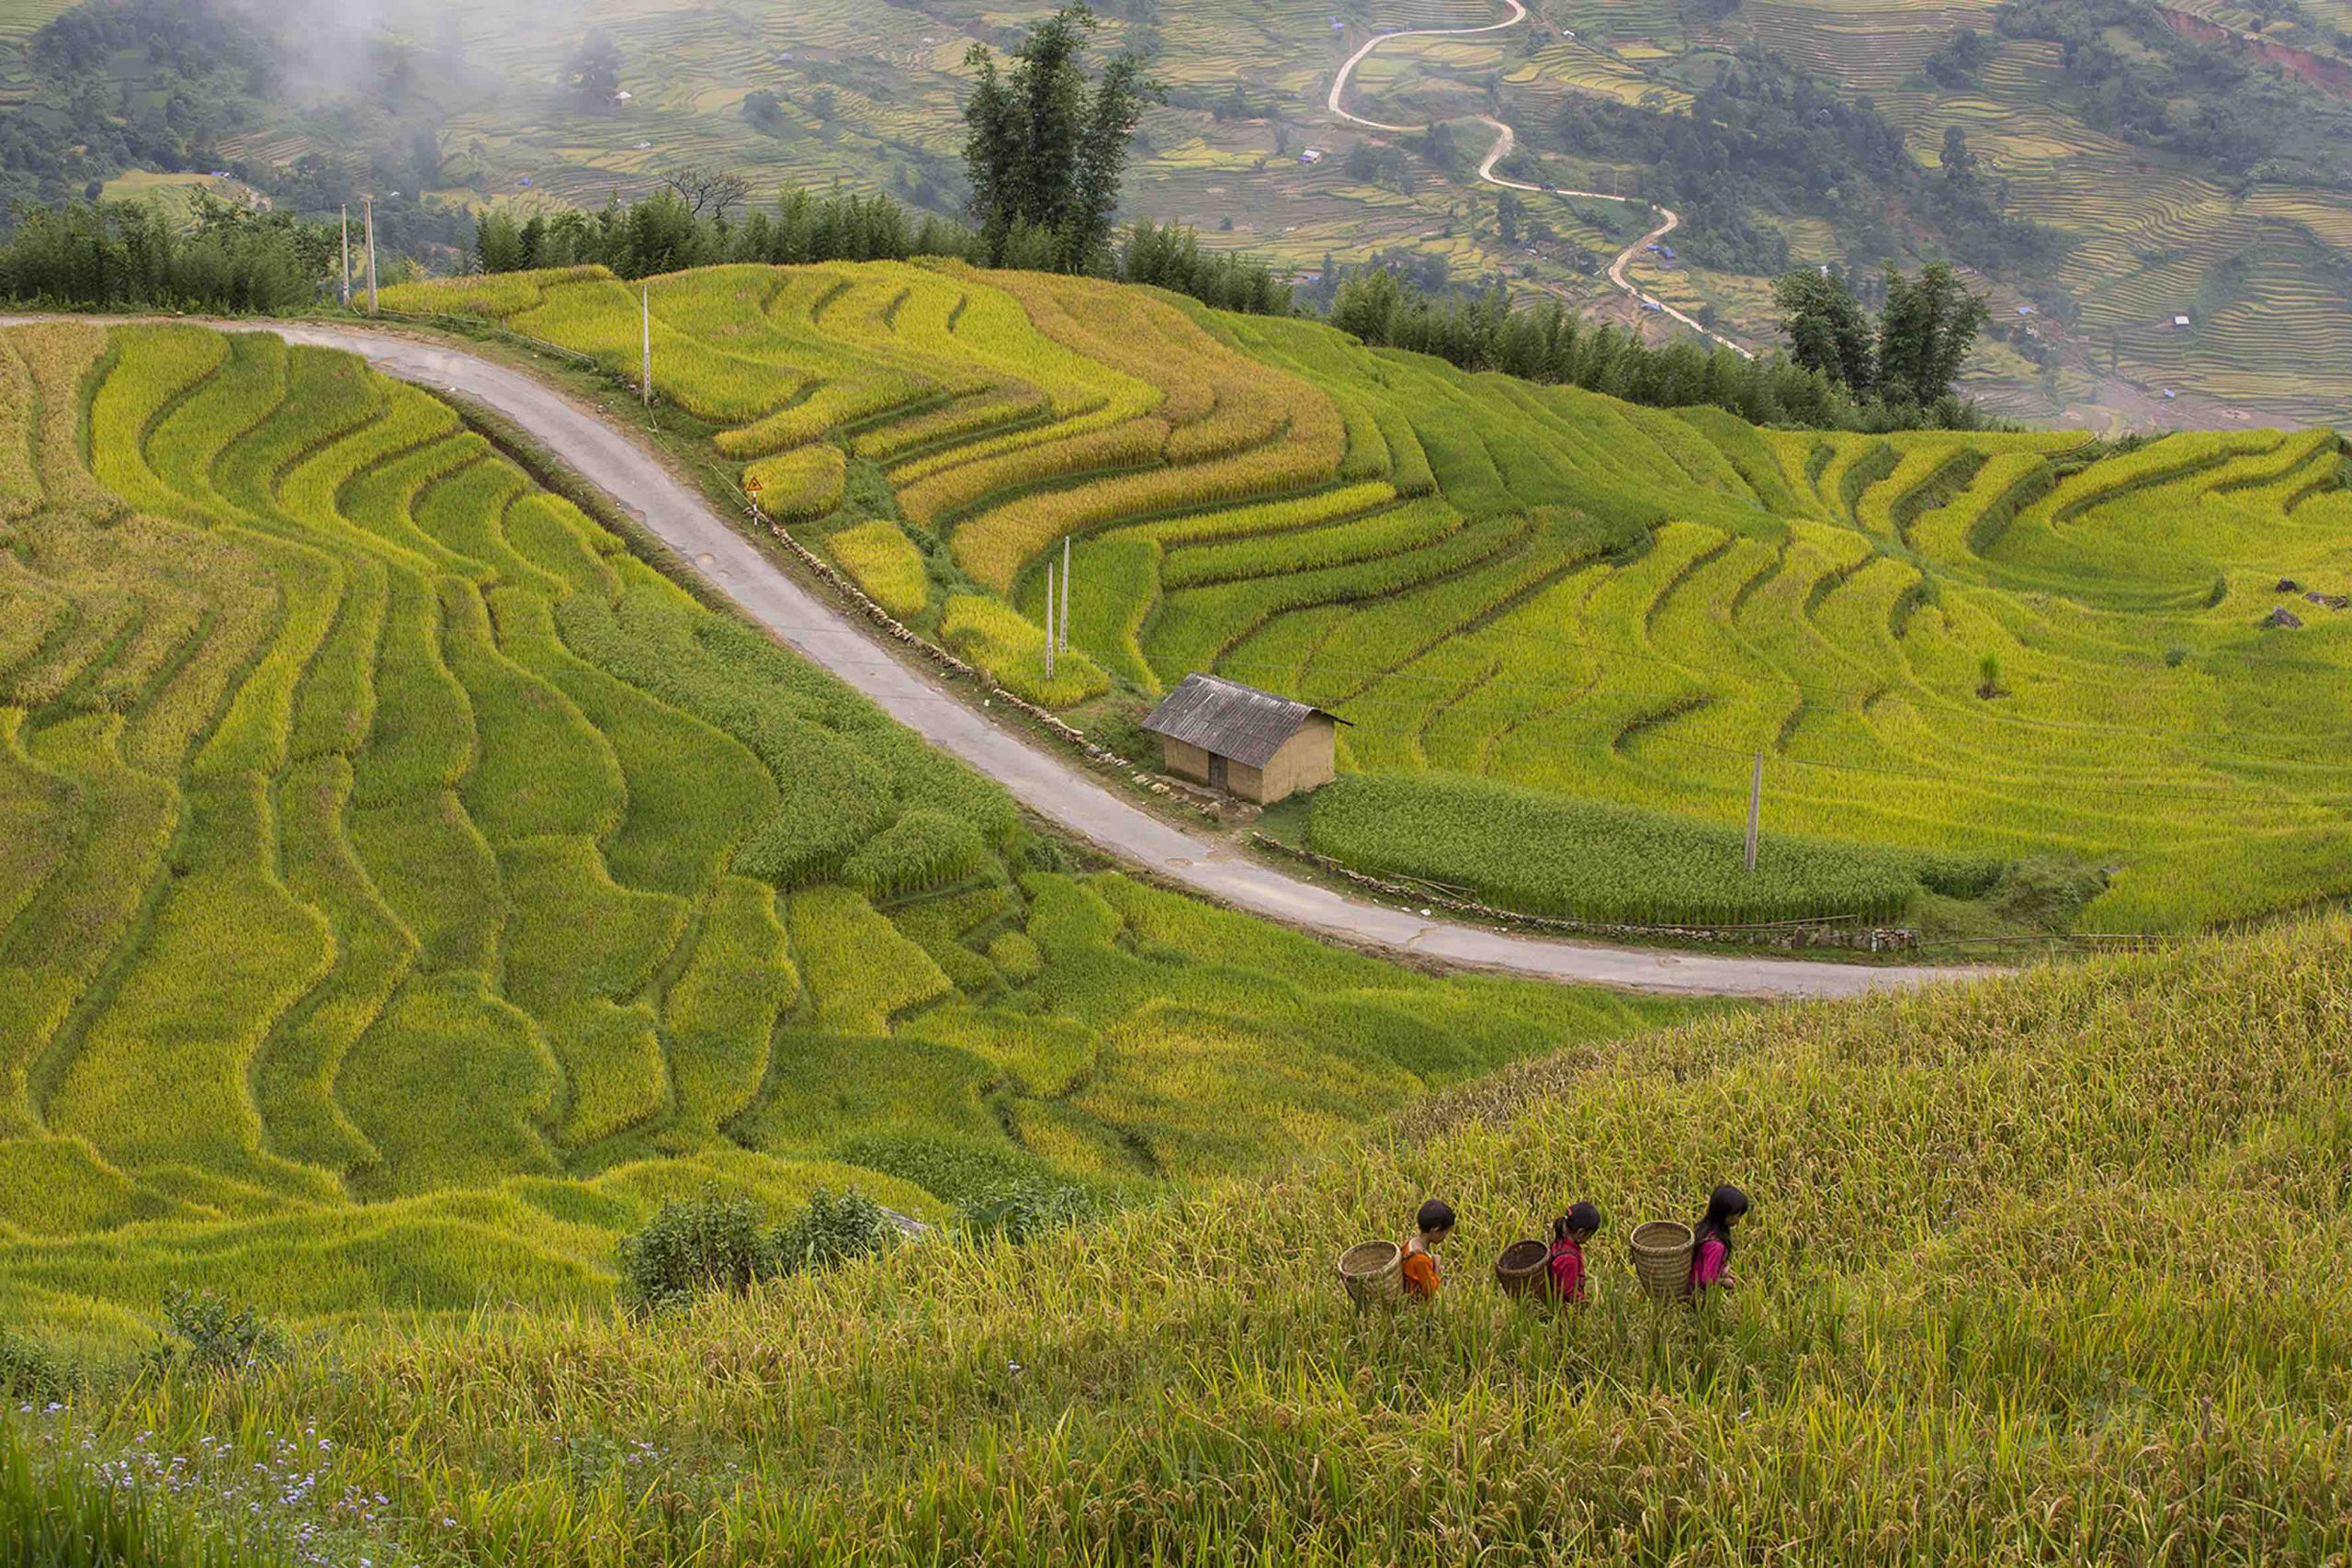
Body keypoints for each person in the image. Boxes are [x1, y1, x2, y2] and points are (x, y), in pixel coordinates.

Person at [1690, 1183, 1750, 1295]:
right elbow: (1706, 1280)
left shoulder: (1704, 1230)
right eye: (1737, 1215)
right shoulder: (1716, 1246)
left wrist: (1722, 1272)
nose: (1738, 1220)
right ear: (1726, 1215)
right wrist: (1723, 1282)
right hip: (1695, 1295)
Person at [1400, 1198, 1453, 1299]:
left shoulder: (1411, 1243)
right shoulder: (1420, 1259)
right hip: (1416, 1301)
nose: (1445, 1236)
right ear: (1435, 1230)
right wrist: (1436, 1266)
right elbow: (1430, 1291)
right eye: (1445, 1232)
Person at [1547, 1202, 1600, 1303]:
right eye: (1590, 1235)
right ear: (1581, 1233)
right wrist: (1585, 1303)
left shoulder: (1560, 1242)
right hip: (1563, 1308)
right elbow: (1570, 1291)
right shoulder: (1569, 1259)